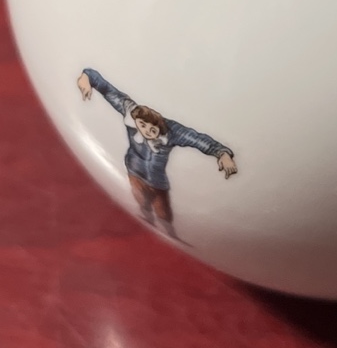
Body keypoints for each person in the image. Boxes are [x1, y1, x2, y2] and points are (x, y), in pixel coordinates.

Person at [77, 68, 237, 242]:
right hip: (134, 171)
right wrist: (87, 77)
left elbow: (197, 139)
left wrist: (222, 153)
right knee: (141, 202)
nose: (147, 131)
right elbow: (109, 90)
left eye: (152, 129)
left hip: (157, 181)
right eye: (142, 126)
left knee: (163, 213)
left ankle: (171, 234)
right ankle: (147, 221)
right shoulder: (130, 112)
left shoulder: (171, 131)